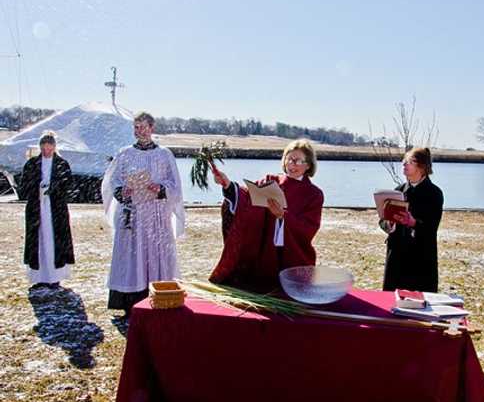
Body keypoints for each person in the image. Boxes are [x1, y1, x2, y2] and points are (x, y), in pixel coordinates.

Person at [210, 139, 323, 292]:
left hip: (293, 255)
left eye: (297, 161)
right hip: (264, 249)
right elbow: (247, 198)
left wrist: (283, 216)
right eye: (289, 159)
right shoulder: (271, 180)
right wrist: (228, 185)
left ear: (308, 165)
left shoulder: (314, 194)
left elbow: (309, 227)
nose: (292, 164)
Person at [101, 112, 184, 316]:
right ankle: (130, 301)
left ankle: (158, 297)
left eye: (143, 127)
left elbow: (175, 185)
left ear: (152, 128)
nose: (139, 131)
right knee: (132, 255)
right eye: (136, 127)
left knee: (155, 254)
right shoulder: (125, 153)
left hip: (156, 214)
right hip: (133, 212)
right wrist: (123, 190)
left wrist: (161, 188)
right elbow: (113, 180)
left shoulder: (164, 154)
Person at [380, 147, 444, 292]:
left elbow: (431, 227)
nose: (404, 165)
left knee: (420, 305)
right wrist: (389, 223)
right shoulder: (398, 190)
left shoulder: (434, 193)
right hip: (396, 256)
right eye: (404, 161)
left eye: (409, 162)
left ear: (422, 166)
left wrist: (413, 222)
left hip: (420, 258)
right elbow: (382, 221)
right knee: (392, 302)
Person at [20, 131, 75, 287]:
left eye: (49, 149)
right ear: (40, 148)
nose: (47, 152)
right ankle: (38, 276)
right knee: (38, 241)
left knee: (54, 240)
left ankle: (55, 275)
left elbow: (68, 185)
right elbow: (24, 185)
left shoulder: (61, 164)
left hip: (56, 209)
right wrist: (37, 188)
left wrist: (54, 189)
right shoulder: (32, 164)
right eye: (44, 149)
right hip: (36, 208)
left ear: (54, 147)